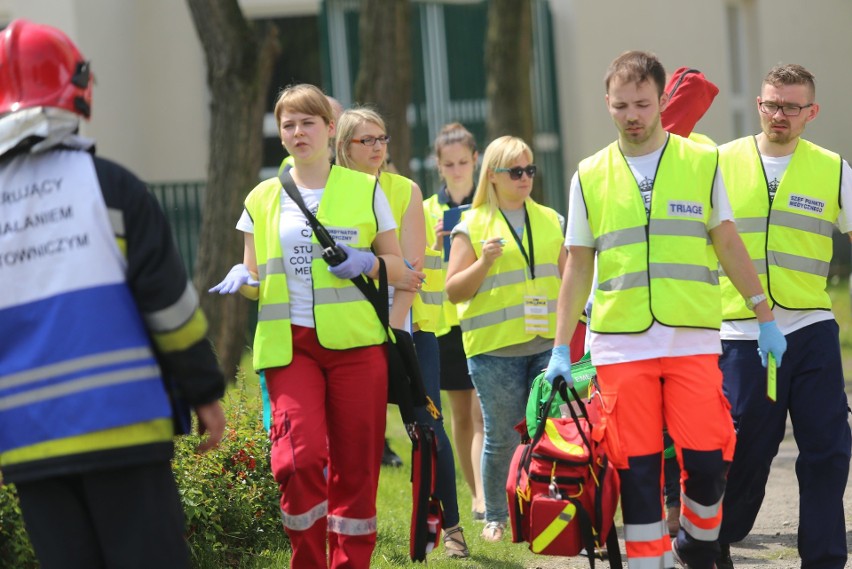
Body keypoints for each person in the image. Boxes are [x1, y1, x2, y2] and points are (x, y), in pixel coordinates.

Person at [543, 50, 786, 569]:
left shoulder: (701, 162)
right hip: (619, 343)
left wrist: (763, 314)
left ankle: (696, 546)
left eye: (642, 103)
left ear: (661, 101)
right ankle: (646, 563)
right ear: (607, 103)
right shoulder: (589, 174)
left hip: (692, 338)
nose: (632, 114)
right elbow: (577, 266)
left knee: (707, 462)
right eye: (621, 105)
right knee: (635, 469)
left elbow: (726, 241)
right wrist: (561, 346)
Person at [0, 19, 226, 569]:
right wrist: (204, 390)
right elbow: (169, 307)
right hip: (122, 426)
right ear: (76, 88)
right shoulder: (112, 189)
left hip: (30, 441)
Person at [209, 84, 422, 568]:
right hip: (290, 348)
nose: (298, 132)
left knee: (356, 468)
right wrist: (244, 277)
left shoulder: (366, 190)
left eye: (308, 122)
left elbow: (396, 264)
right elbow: (256, 280)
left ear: (330, 129)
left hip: (356, 346)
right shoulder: (261, 198)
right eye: (288, 124)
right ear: (280, 135)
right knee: (297, 460)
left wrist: (368, 262)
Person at [714, 63, 852, 569]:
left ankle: (824, 559)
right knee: (747, 447)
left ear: (811, 112)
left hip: (810, 327)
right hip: (739, 330)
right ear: (758, 105)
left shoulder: (833, 169)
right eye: (771, 103)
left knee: (828, 449)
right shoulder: (720, 163)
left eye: (791, 107)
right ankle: (715, 540)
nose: (779, 114)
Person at [334, 107, 469, 558]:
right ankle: (353, 531)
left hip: (408, 327)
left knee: (428, 426)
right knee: (356, 433)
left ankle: (451, 529)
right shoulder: (332, 194)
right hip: (350, 330)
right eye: (364, 141)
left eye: (381, 139)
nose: (376, 148)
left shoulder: (403, 190)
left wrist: (394, 326)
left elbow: (410, 272)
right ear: (344, 146)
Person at [445, 135, 566, 543]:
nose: (525, 177)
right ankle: (496, 514)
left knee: (548, 430)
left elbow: (569, 279)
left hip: (546, 345)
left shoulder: (551, 220)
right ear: (493, 176)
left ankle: (546, 506)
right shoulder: (472, 224)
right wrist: (483, 262)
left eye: (529, 169)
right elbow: (454, 290)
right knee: (501, 434)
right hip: (494, 349)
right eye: (515, 171)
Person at [423, 122, 486, 520]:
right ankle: (476, 492)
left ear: (476, 160)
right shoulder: (427, 209)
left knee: (485, 414)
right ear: (438, 165)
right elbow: (422, 268)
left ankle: (486, 494)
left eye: (464, 161)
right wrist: (433, 244)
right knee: (461, 414)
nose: (458, 170)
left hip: (484, 320)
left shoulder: (488, 207)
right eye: (450, 164)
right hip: (446, 326)